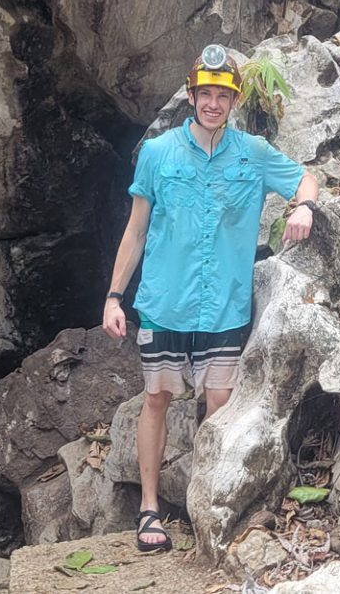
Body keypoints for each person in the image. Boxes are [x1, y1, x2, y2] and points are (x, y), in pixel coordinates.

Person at [102, 45, 319, 552]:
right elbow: (134, 233)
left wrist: (303, 205)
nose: (213, 103)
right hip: (163, 303)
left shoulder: (253, 153)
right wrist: (114, 297)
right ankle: (150, 509)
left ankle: (211, 506)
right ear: (193, 95)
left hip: (223, 306)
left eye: (223, 95)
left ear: (233, 99)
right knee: (157, 398)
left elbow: (305, 176)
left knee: (219, 403)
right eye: (206, 93)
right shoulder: (158, 154)